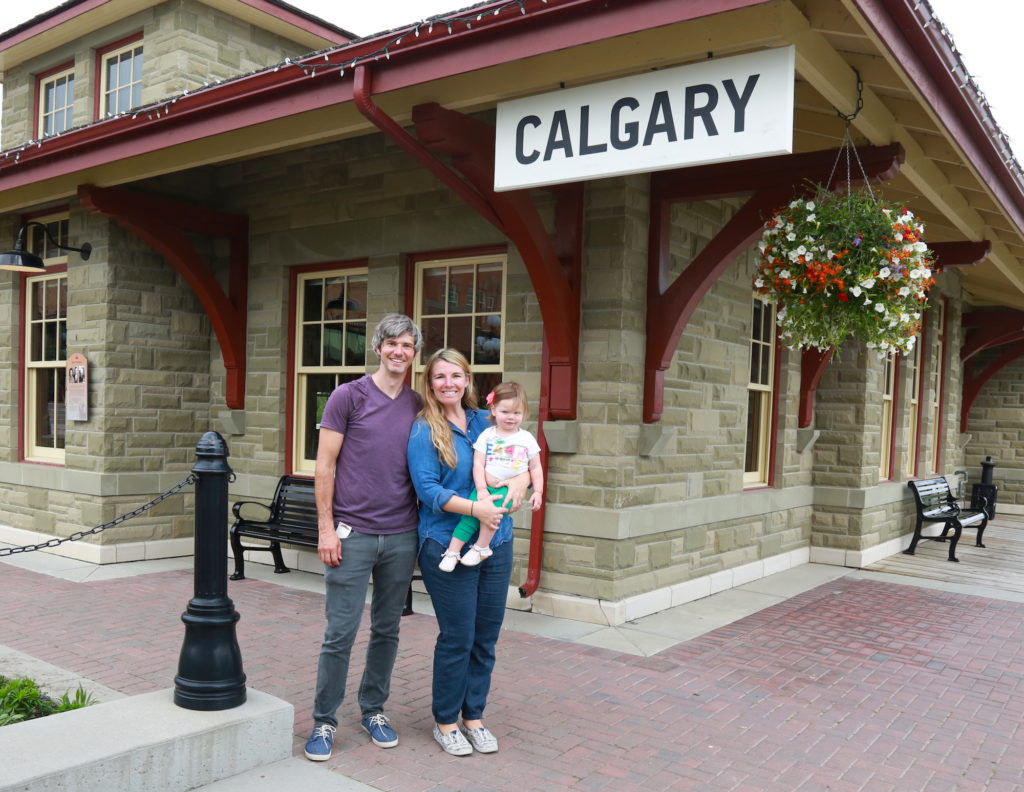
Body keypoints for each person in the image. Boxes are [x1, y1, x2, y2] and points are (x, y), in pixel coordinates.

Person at [304, 313, 422, 762]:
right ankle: (325, 721)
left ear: (414, 354)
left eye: (408, 346)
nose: (399, 352)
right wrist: (325, 529)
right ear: (377, 348)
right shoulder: (347, 396)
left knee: (387, 630)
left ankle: (373, 709)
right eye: (392, 344)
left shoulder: (417, 403)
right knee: (341, 632)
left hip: (401, 535)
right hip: (350, 535)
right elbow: (324, 466)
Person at [407, 348, 531, 756]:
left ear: (467, 380)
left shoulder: (486, 421)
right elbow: (428, 491)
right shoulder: (425, 429)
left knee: (486, 637)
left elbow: (523, 462)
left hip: (496, 541)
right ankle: (446, 721)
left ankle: (473, 716)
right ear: (430, 383)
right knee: (458, 637)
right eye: (440, 377)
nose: (449, 383)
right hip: (447, 543)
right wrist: (476, 507)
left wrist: (519, 486)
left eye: (456, 375)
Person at [440, 381, 544, 571]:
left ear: (524, 413)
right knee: (469, 518)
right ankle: (453, 552)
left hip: (507, 491)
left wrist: (538, 491)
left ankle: (481, 547)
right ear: (494, 409)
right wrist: (480, 488)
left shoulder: (526, 438)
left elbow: (536, 468)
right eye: (505, 412)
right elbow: (478, 464)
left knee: (491, 516)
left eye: (517, 413)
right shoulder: (487, 435)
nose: (511, 417)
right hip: (485, 488)